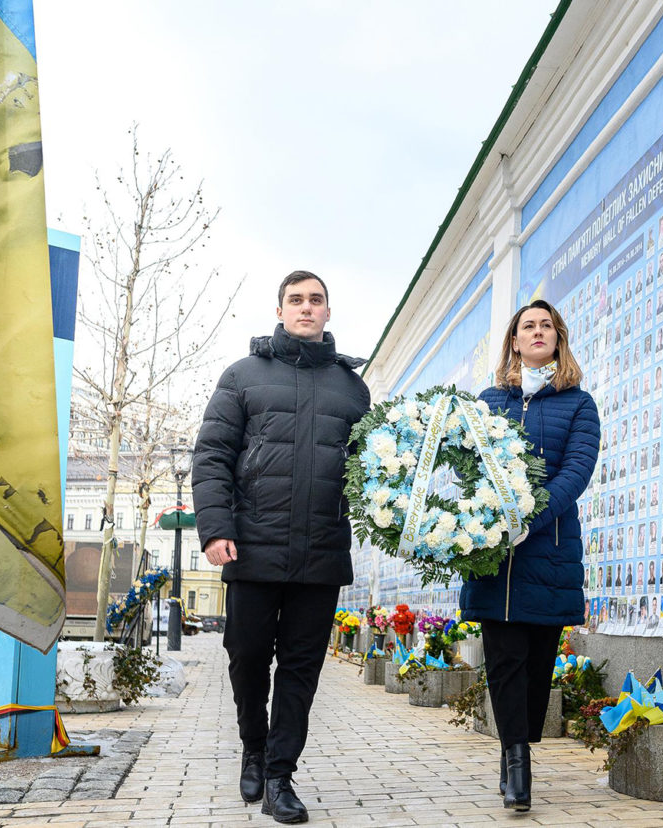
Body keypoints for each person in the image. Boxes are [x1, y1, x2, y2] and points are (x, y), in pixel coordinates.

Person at [193, 271, 372, 822]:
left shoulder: (352, 389)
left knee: (300, 669)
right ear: (281, 309)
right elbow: (212, 456)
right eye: (296, 300)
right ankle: (253, 744)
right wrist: (216, 528)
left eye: (316, 300)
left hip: (321, 551)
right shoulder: (244, 375)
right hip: (252, 547)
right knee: (247, 656)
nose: (306, 308)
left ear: (327, 312)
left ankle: (279, 774)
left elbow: (372, 470)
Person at [462, 299, 600, 812]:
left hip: (549, 553)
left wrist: (529, 520)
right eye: (528, 326)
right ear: (514, 342)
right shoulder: (489, 400)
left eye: (546, 325)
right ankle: (517, 760)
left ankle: (515, 747)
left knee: (538, 664)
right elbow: (468, 467)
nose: (537, 332)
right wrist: (487, 522)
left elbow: (576, 473)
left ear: (557, 339)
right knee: (504, 659)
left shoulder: (578, 404)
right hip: (494, 556)